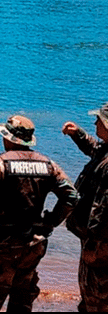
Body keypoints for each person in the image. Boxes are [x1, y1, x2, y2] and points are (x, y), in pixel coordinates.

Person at [0, 115, 79, 312]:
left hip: (3, 241)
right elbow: (71, 196)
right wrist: (52, 221)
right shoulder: (48, 165)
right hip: (33, 243)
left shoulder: (0, 163)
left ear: (8, 138)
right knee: (21, 300)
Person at [63, 102, 108, 312]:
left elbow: (103, 209)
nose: (95, 123)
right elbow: (95, 149)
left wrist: (93, 242)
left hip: (100, 247)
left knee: (98, 298)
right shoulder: (105, 150)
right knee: (89, 293)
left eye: (98, 120)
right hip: (94, 243)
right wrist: (77, 134)